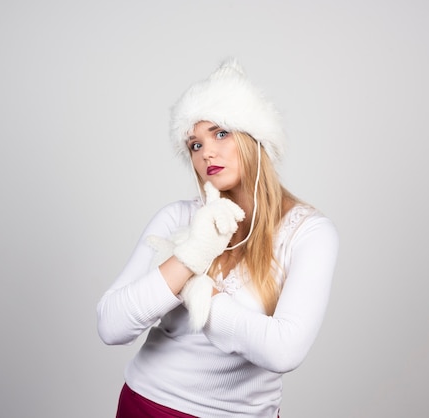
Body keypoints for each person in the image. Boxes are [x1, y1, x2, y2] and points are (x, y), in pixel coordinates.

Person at [97, 58, 339, 418]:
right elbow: (110, 325)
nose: (207, 151)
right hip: (148, 404)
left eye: (221, 133)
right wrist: (189, 257)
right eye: (195, 145)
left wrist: (199, 293)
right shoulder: (178, 216)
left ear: (255, 138)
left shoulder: (309, 232)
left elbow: (284, 351)